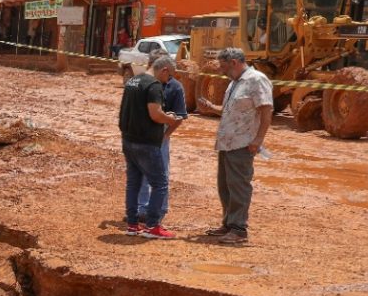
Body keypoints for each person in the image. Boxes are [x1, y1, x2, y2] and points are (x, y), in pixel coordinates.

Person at [198, 47, 273, 245]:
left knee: (239, 186)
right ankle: (229, 224)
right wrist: (212, 108)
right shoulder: (234, 83)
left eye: (224, 66)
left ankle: (239, 229)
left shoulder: (256, 80)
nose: (222, 71)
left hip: (243, 144)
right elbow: (230, 110)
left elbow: (266, 110)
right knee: (225, 186)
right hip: (226, 143)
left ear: (234, 63)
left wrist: (258, 140)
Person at [117, 55, 184, 238]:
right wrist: (170, 119)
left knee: (134, 183)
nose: (168, 80)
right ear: (163, 70)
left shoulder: (132, 81)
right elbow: (155, 114)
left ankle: (132, 225)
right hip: (147, 143)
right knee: (160, 184)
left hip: (128, 140)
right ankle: (153, 226)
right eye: (169, 75)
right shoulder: (153, 85)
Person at [136, 57, 187, 221]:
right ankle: (141, 209)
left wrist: (166, 136)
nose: (169, 77)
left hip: (161, 136)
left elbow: (180, 116)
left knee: (161, 174)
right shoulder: (145, 84)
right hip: (143, 135)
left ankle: (160, 210)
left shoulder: (175, 88)